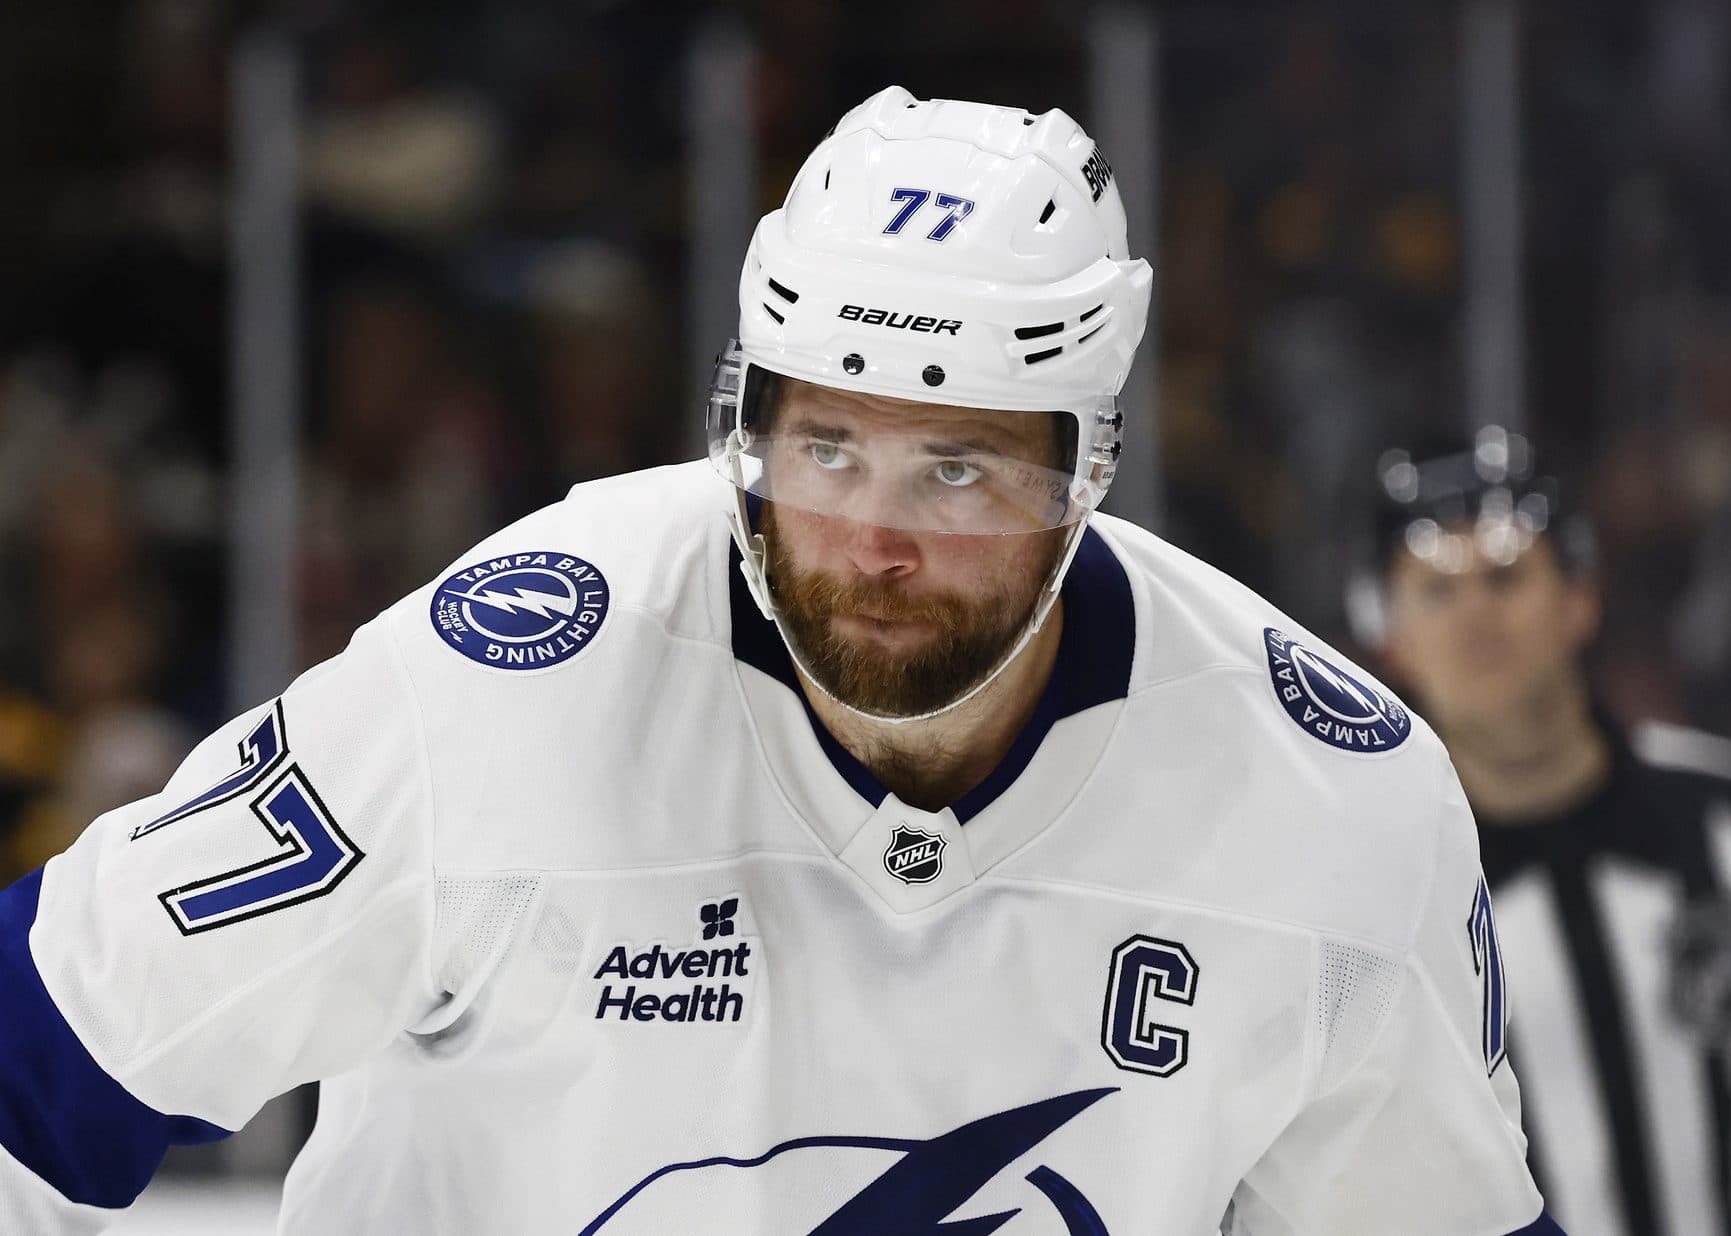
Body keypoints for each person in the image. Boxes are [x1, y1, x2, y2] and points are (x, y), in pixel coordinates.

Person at [1, 89, 1560, 1235]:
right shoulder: (508, 690)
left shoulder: (1329, 805)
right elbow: (51, 1047)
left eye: (958, 472)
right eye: (825, 447)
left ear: (1087, 470)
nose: (870, 542)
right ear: (743, 425)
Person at [1351, 426, 1731, 1236]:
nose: (1476, 613)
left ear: (1578, 599)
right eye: (1437, 592)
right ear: (1390, 640)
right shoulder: (1374, 888)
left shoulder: (1726, 819)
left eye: (1506, 576)